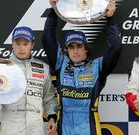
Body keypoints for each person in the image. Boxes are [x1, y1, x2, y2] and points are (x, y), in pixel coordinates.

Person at [42, 0, 122, 134]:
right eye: (71, 47)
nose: (75, 51)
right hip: (64, 127)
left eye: (79, 46)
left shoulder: (98, 67)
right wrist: (54, 9)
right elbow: (47, 38)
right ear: (66, 50)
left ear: (86, 49)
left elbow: (116, 47)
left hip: (89, 128)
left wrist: (110, 19)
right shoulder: (61, 64)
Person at [0, 26, 57, 135]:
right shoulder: (0, 67)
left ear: (32, 45)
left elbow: (49, 98)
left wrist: (51, 119)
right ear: (12, 44)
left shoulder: (43, 68)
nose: (21, 48)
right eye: (18, 43)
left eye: (25, 44)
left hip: (36, 131)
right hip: (10, 130)